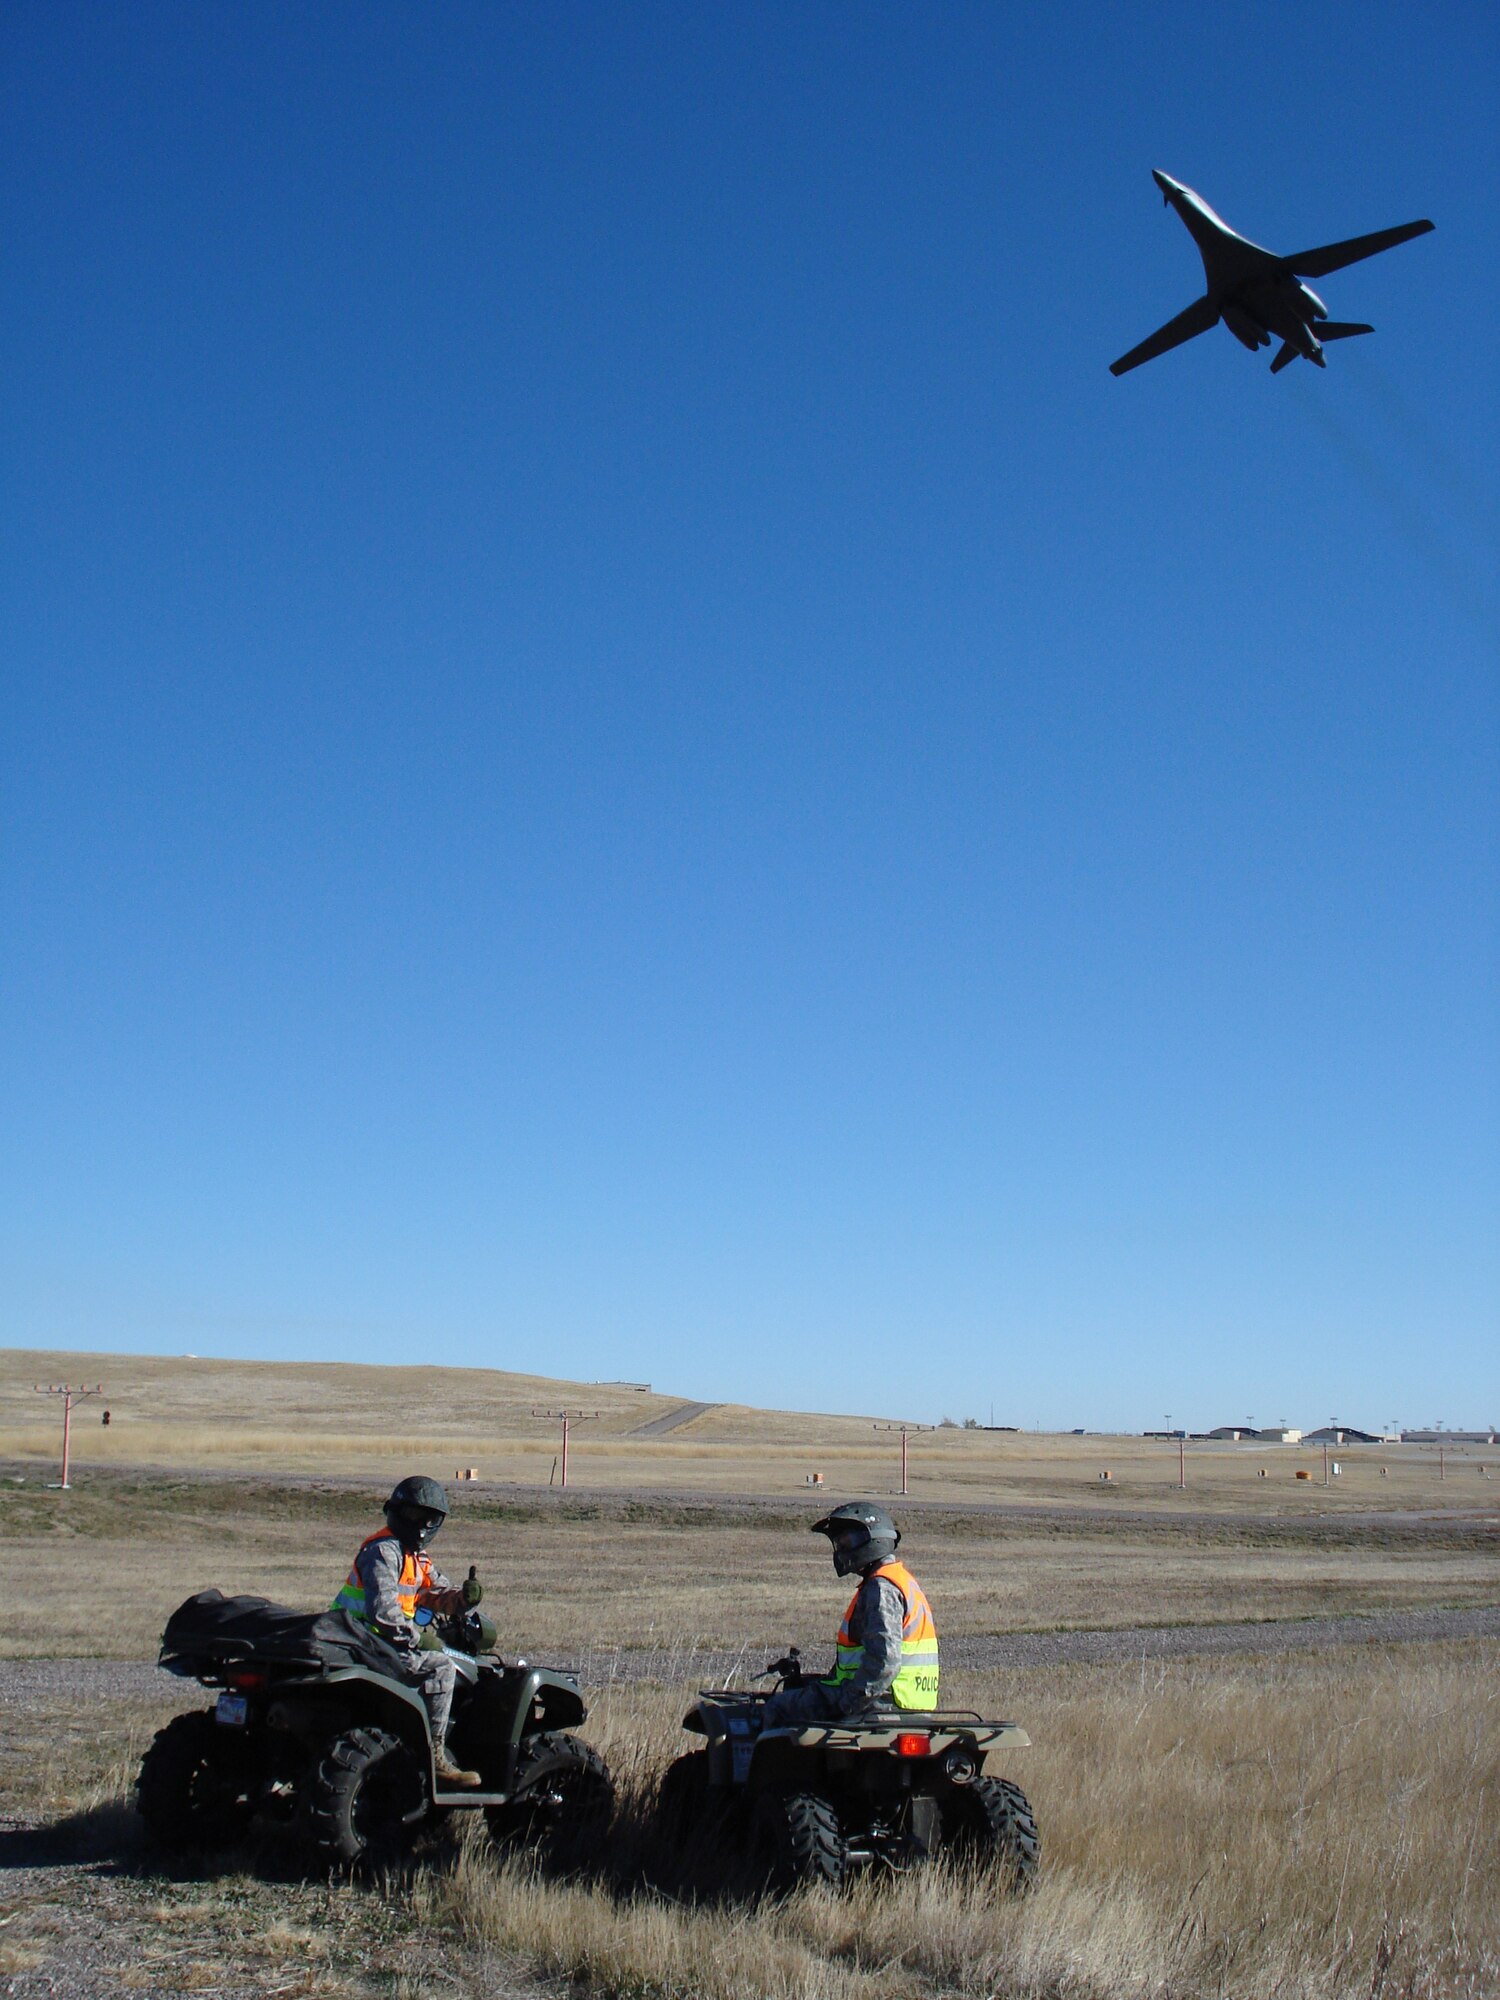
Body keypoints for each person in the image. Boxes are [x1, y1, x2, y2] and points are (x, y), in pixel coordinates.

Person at [332, 1475, 486, 1787]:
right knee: (442, 1667)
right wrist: (418, 1639)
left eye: (429, 1519)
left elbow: (434, 1594)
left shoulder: (414, 1557)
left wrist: (463, 1598)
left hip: (375, 1641)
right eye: (415, 1515)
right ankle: (436, 1757)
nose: (422, 1525)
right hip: (363, 1640)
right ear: (397, 1512)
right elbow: (384, 1612)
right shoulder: (383, 1551)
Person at [760, 1500, 940, 1725]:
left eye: (849, 1541)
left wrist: (848, 1703)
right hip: (907, 1702)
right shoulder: (900, 1580)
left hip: (880, 1702)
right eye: (839, 1542)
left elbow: (885, 1662)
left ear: (874, 1539)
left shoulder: (881, 1588)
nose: (842, 1549)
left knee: (777, 1708)